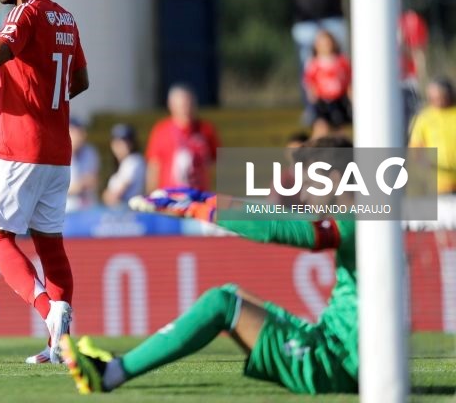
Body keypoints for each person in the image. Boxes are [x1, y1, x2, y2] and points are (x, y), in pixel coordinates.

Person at [62, 136, 358, 395]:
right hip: (335, 346)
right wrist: (207, 200)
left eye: (309, 183)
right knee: (234, 296)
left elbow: (281, 228)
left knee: (221, 304)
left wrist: (200, 208)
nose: (304, 194)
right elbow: (276, 217)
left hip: (336, 363)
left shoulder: (357, 217)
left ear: (333, 178)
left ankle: (111, 373)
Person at [0, 0, 89, 364]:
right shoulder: (65, 18)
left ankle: (48, 310)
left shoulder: (26, 12)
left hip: (17, 147)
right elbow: (80, 80)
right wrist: (45, 99)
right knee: (50, 244)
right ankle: (61, 345)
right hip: (56, 150)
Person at [278, 0, 350, 120]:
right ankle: (313, 110)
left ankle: (342, 108)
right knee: (309, 69)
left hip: (333, 21)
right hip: (306, 23)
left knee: (339, 66)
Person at [145, 83, 220, 193]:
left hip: (199, 195)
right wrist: (152, 194)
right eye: (183, 105)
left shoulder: (206, 129)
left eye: (191, 104)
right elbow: (154, 166)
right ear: (172, 106)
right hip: (170, 197)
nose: (187, 109)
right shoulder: (161, 131)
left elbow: (215, 164)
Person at [409, 77, 456, 195]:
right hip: (439, 183)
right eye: (433, 97)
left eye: (440, 96)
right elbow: (416, 148)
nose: (436, 100)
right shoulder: (424, 118)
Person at [302, 30, 352, 138]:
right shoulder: (313, 63)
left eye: (328, 43)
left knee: (339, 130)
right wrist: (312, 99)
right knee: (321, 128)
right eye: (322, 44)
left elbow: (348, 81)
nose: (326, 46)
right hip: (322, 102)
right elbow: (309, 82)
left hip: (339, 101)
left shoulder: (342, 61)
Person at [102, 123, 146, 207]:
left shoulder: (133, 161)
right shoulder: (124, 163)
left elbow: (113, 196)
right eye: (116, 141)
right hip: (121, 211)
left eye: (124, 141)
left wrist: (107, 195)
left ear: (131, 144)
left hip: (128, 211)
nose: (118, 146)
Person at [67, 117, 99, 211]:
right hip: (67, 210)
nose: (82, 136)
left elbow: (94, 180)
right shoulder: (58, 154)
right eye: (78, 132)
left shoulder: (90, 152)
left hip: (88, 209)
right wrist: (79, 186)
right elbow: (55, 189)